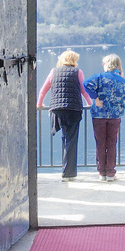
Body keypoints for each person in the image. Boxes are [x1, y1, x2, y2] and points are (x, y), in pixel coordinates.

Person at [37, 50, 92, 181]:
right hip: (73, 110)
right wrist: (90, 103)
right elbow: (84, 91)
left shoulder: (53, 71)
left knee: (64, 138)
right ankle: (68, 174)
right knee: (71, 141)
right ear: (74, 60)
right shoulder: (78, 72)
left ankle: (64, 169)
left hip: (57, 110)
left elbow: (43, 90)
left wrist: (39, 104)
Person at [83, 54, 125, 182]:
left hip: (99, 115)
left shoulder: (99, 77)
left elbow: (86, 83)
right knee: (112, 143)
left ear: (107, 64)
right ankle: (111, 172)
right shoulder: (122, 80)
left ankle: (101, 173)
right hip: (115, 116)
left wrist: (96, 98)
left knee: (100, 143)